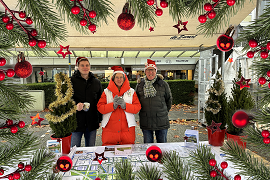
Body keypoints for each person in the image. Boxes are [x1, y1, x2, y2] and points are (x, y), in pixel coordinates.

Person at [97, 66, 141, 146]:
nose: (119, 79)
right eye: (117, 77)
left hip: (127, 132)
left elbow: (137, 107)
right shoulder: (106, 92)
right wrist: (112, 106)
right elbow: (100, 107)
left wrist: (125, 106)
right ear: (113, 79)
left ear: (124, 79)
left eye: (121, 77)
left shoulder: (131, 92)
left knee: (127, 155)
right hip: (110, 132)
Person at [135, 59, 172, 143]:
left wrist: (164, 111)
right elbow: (136, 101)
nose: (150, 72)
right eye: (148, 70)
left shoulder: (163, 84)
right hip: (146, 120)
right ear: (145, 72)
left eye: (152, 70)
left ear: (156, 71)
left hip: (161, 120)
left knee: (162, 147)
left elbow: (168, 100)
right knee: (148, 147)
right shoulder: (140, 85)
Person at [70, 57, 103, 147]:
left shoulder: (96, 82)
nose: (85, 67)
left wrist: (100, 119)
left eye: (87, 65)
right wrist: (74, 106)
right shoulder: (70, 81)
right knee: (74, 148)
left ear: (90, 67)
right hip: (76, 121)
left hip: (92, 121)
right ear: (78, 67)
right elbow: (65, 100)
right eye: (82, 65)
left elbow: (100, 101)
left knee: (91, 148)